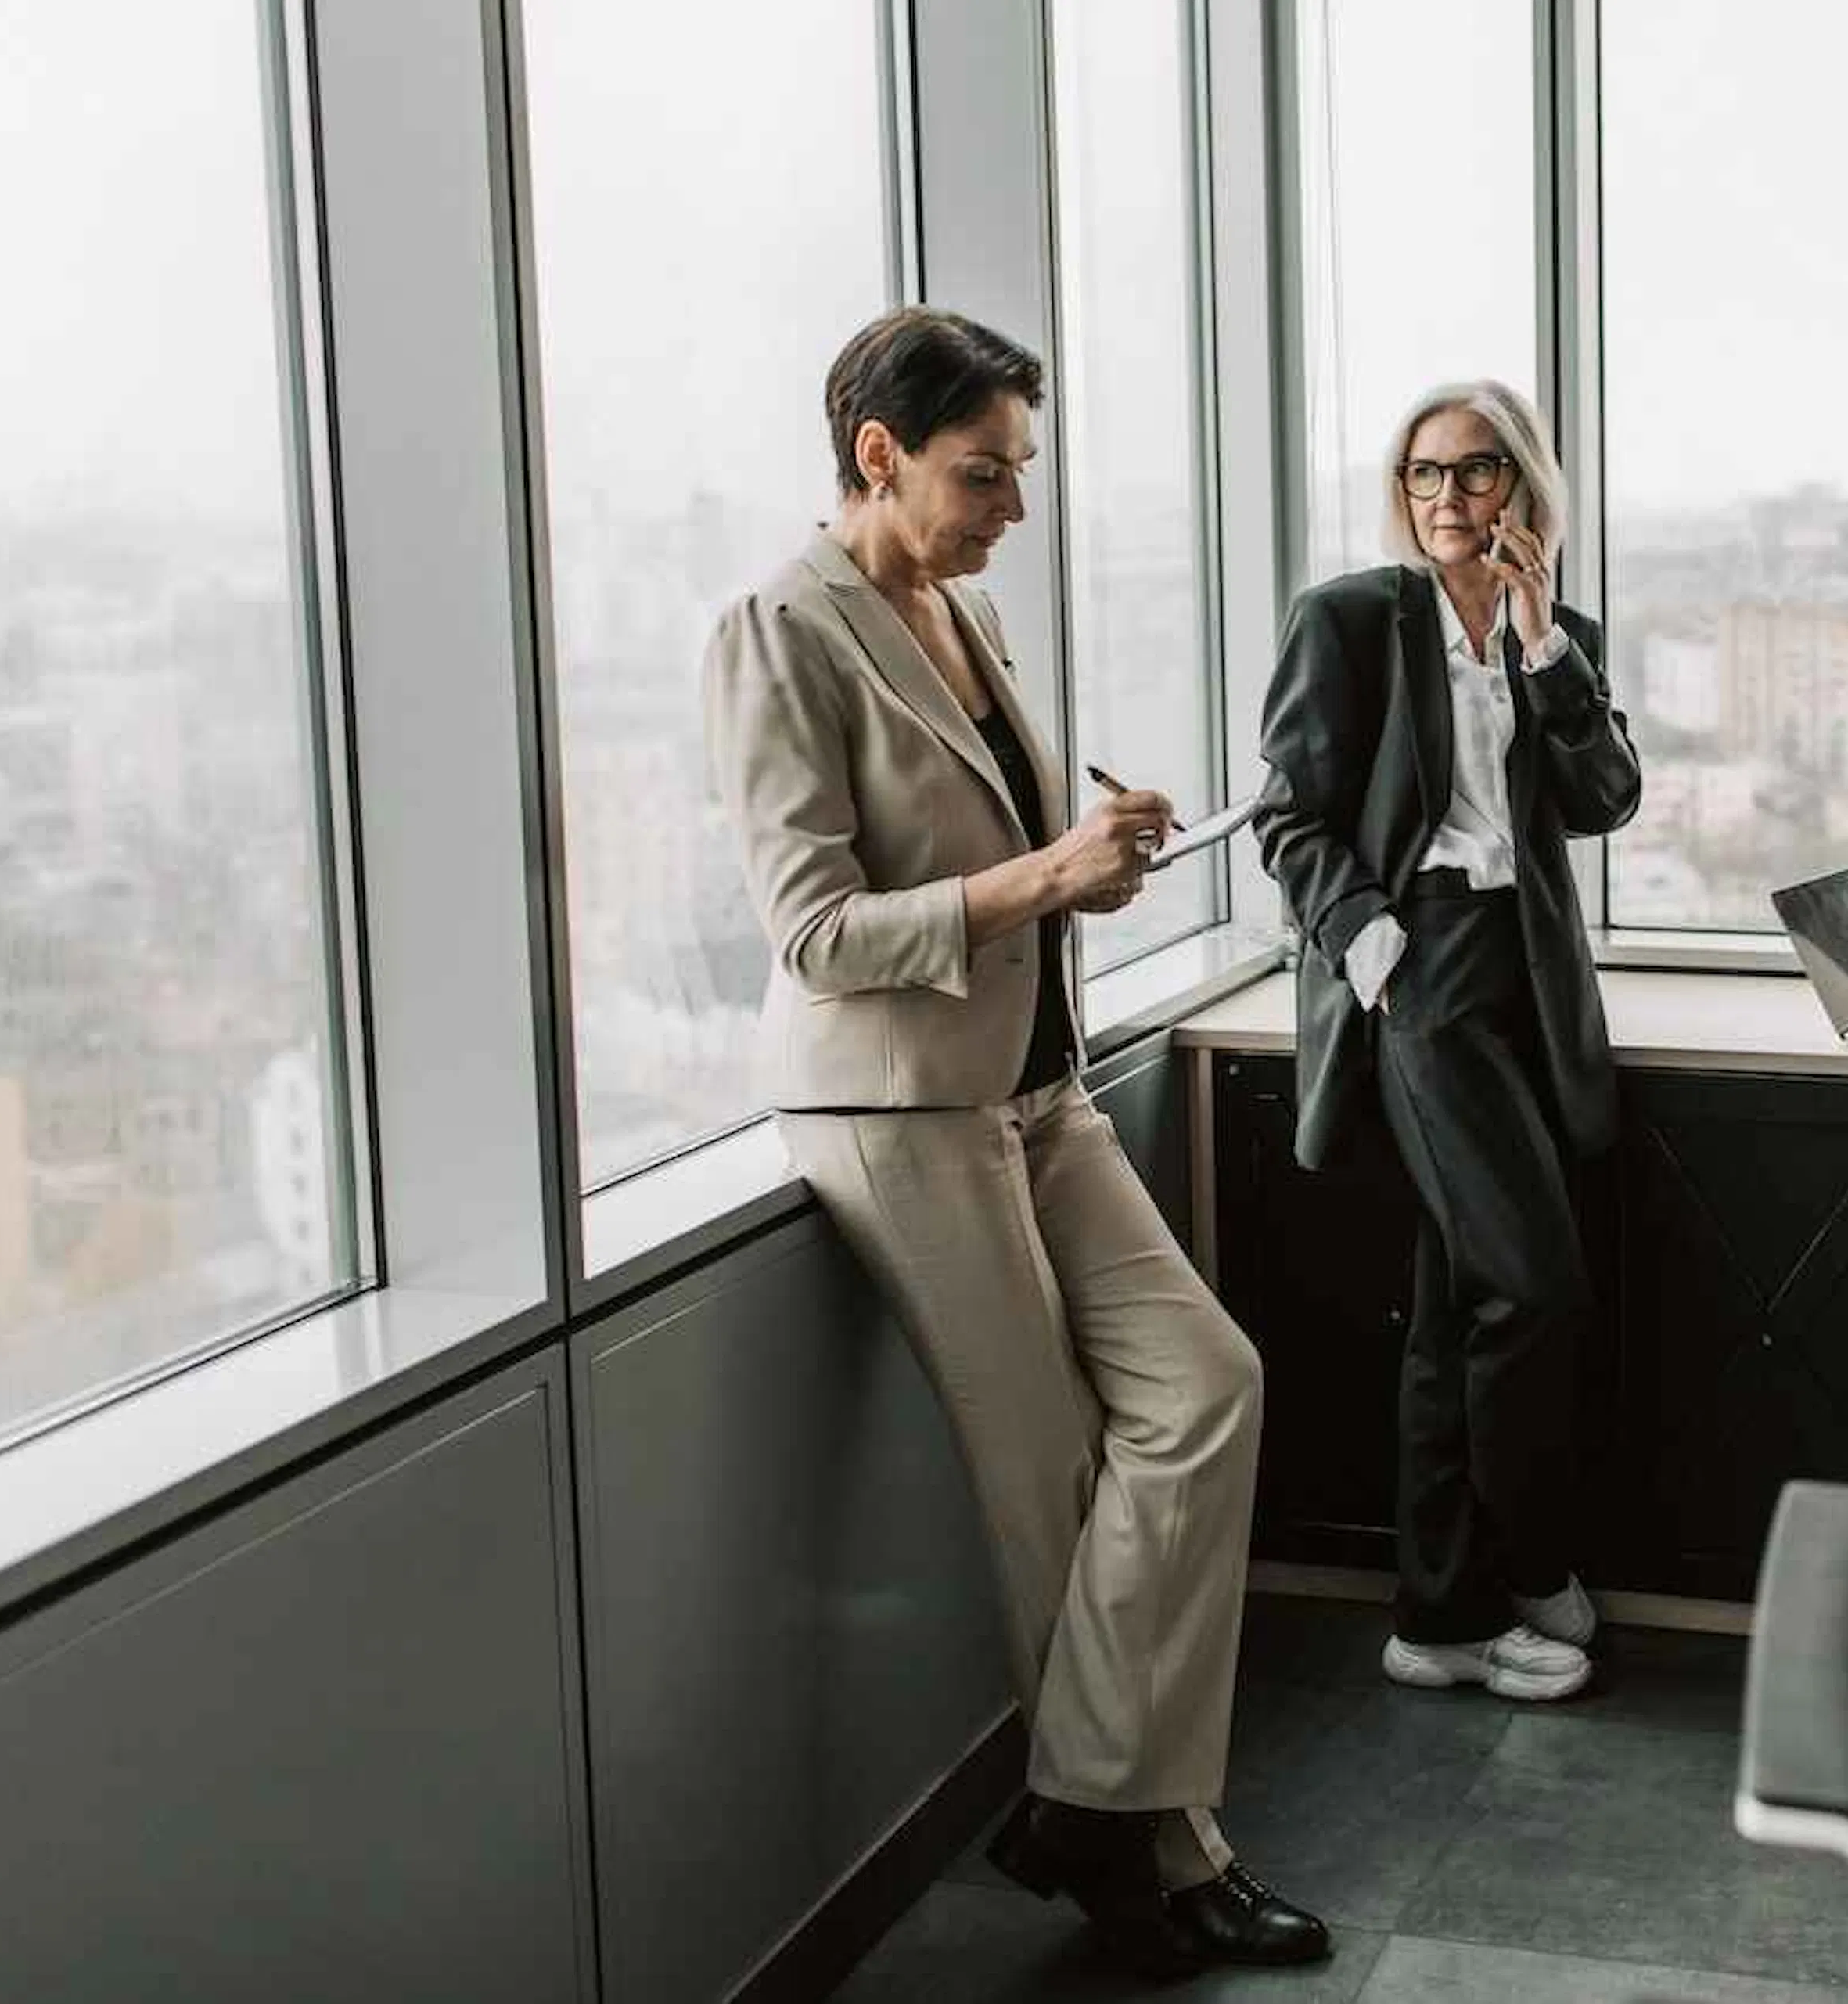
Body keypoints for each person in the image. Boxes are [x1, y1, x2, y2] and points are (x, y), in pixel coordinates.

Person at [700, 305, 1326, 1977]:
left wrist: (1084, 847)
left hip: (1033, 1088)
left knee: (1206, 1384)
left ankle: (1078, 1804)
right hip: (893, 1105)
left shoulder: (962, 612)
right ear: (877, 452)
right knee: (1047, 1482)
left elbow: (988, 861)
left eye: (1023, 472)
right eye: (987, 474)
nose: (1015, 512)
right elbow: (817, 929)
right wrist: (1042, 878)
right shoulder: (778, 628)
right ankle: (1164, 1860)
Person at [1253, 380, 1642, 1703]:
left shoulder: (1557, 630)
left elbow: (1606, 800)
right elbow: (1289, 817)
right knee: (1532, 1289)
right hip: (1418, 973)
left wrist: (1543, 643)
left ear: (1525, 490)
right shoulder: (1353, 620)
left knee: (1459, 1302)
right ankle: (1516, 1574)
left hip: (1526, 978)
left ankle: (1438, 1611)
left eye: (1476, 474)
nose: (1448, 499)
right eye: (1425, 474)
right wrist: (1373, 947)